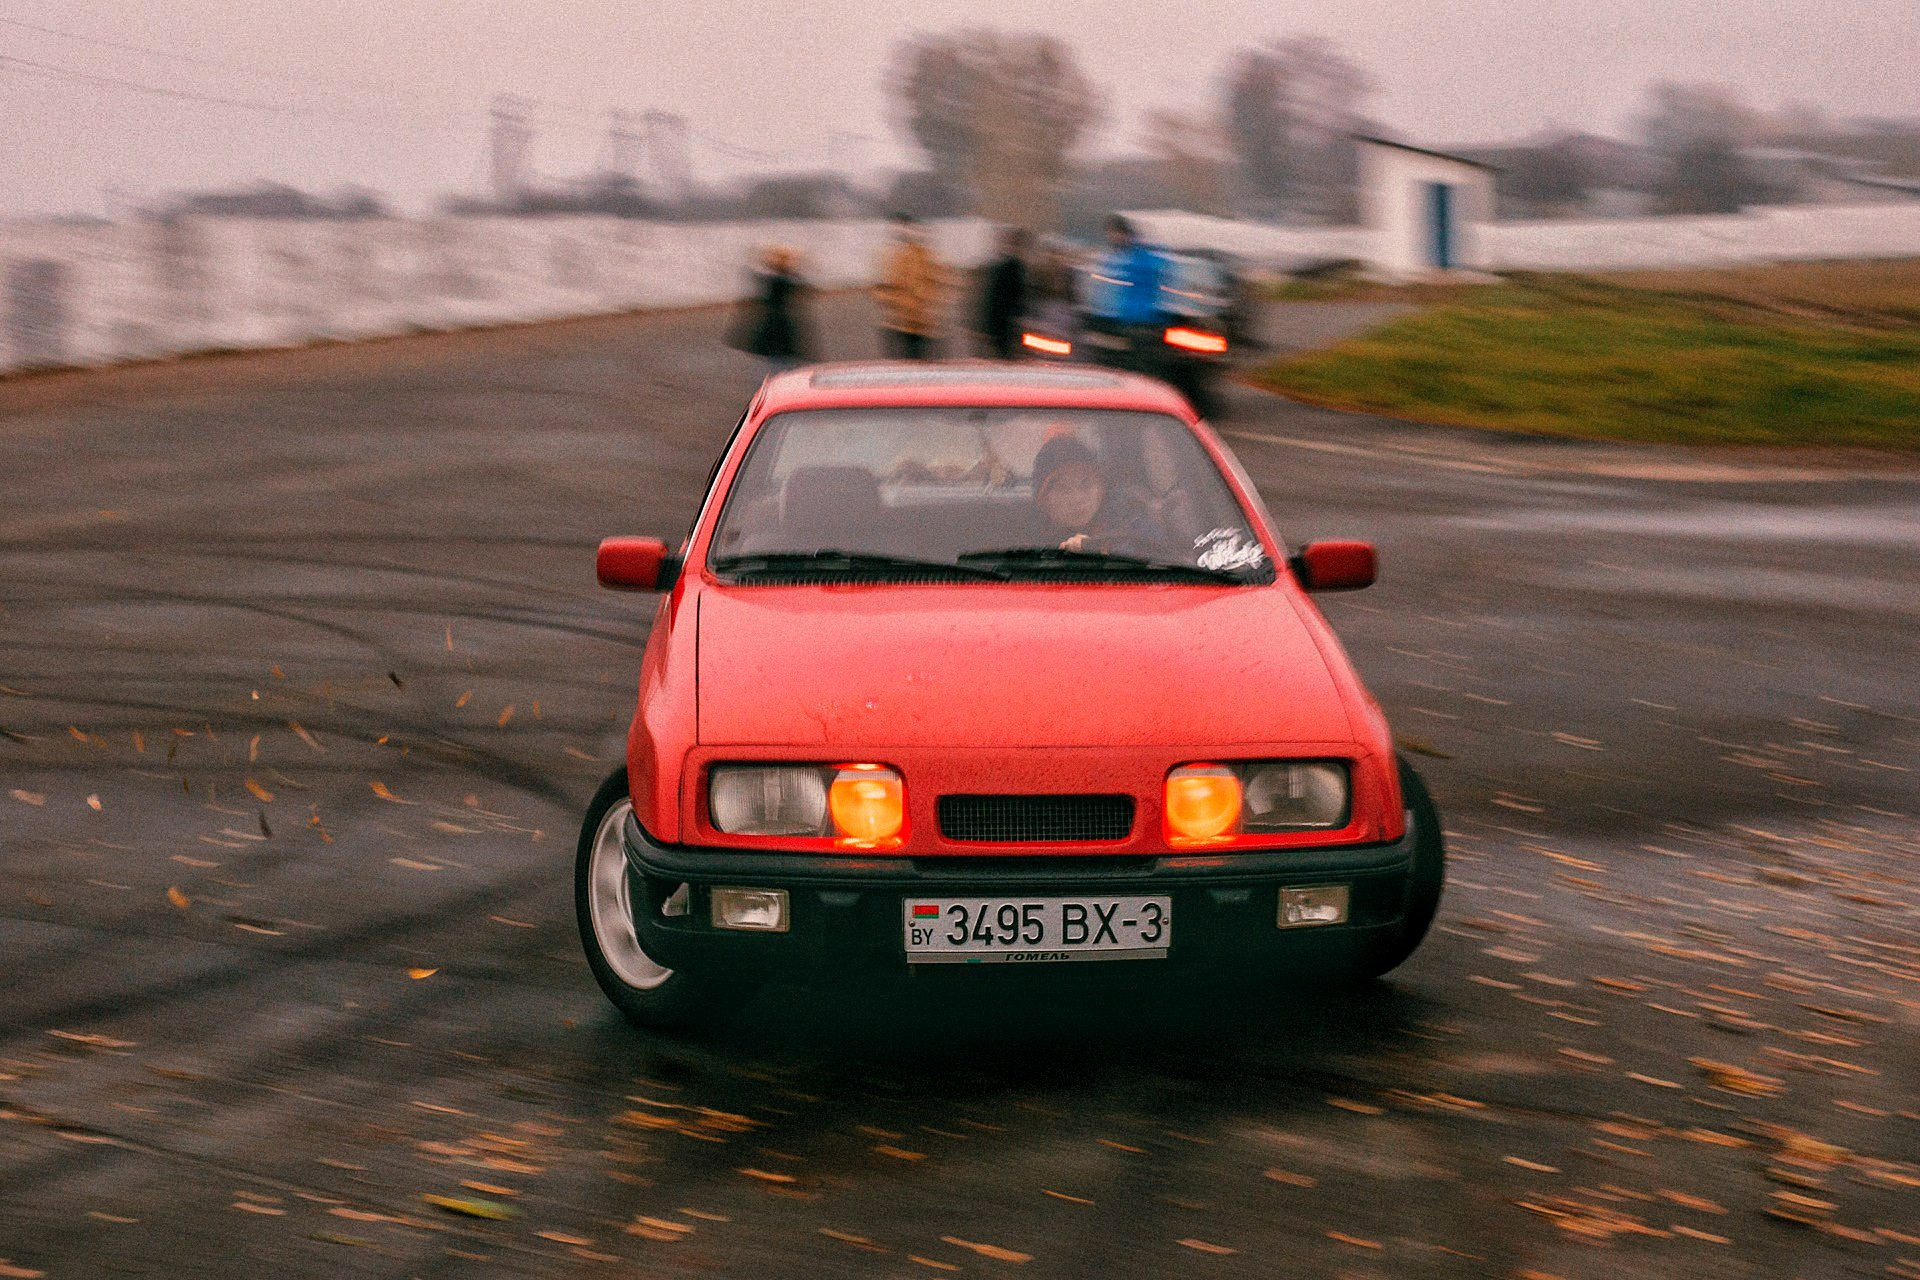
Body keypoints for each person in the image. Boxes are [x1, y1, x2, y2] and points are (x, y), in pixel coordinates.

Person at [1028, 434, 1165, 557]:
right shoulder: (1023, 540)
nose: (1077, 498)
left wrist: (1102, 554)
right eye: (1063, 489)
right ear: (1043, 499)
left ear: (1101, 490)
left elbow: (1155, 559)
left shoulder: (1129, 520)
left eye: (1086, 485)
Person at [1082, 214, 1170, 371]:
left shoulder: (1138, 258)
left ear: (1124, 233)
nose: (1112, 237)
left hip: (1140, 322)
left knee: (1133, 365)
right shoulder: (1119, 256)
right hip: (1126, 320)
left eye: (1114, 232)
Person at [873, 213, 946, 359]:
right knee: (899, 363)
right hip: (897, 322)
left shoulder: (926, 256)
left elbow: (935, 285)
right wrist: (889, 302)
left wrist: (926, 307)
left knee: (919, 363)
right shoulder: (891, 255)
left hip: (920, 323)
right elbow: (883, 284)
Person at [730, 246, 813, 373]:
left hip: (771, 333)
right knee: (782, 368)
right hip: (782, 332)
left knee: (768, 368)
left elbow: (755, 273)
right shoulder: (785, 282)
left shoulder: (773, 280)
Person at [974, 226, 1031, 360]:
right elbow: (1015, 297)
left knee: (999, 356)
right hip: (1007, 323)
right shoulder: (1015, 267)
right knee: (1004, 356)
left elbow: (992, 298)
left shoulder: (1000, 266)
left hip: (1000, 322)